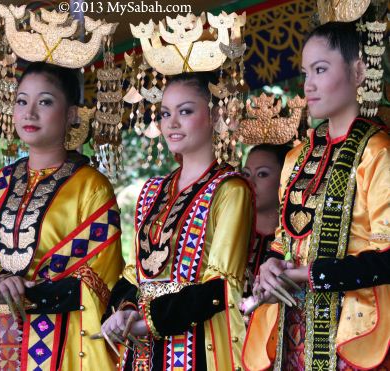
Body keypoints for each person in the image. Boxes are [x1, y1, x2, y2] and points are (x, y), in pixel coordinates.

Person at [0, 62, 124, 370]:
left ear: (71, 114)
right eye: (21, 101)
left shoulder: (91, 188)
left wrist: (21, 291)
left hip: (61, 349)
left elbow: (97, 280)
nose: (29, 113)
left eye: (44, 101)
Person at [242, 21, 390, 370]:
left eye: (320, 70)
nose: (308, 85)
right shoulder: (296, 158)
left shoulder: (378, 152)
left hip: (351, 334)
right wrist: (271, 266)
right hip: (293, 331)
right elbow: (284, 240)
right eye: (306, 72)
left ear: (358, 71)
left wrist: (310, 274)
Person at [101, 72, 253, 370]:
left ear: (215, 116)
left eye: (185, 111)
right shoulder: (151, 192)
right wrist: (124, 311)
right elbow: (134, 273)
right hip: (143, 348)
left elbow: (220, 284)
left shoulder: (230, 190)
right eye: (166, 113)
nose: (171, 123)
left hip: (197, 344)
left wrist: (149, 322)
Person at [241, 144, 291, 297]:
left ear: (284, 178)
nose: (250, 183)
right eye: (247, 175)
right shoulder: (231, 233)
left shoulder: (295, 242)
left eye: (262, 174)